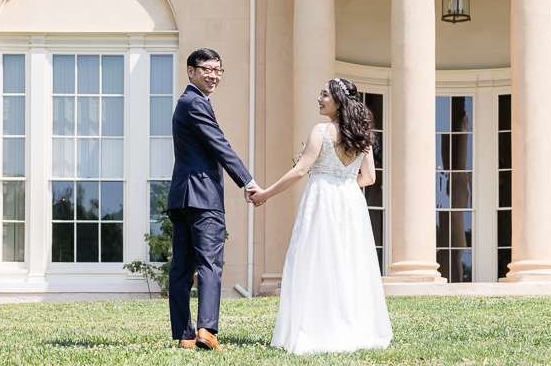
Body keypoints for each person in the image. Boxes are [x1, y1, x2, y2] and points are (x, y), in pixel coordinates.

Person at [249, 77, 393, 355]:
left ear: (338, 101)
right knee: (348, 263)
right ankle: (353, 327)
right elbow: (370, 178)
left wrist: (265, 193)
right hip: (351, 203)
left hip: (322, 201)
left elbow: (301, 170)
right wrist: (344, 183)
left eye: (324, 94)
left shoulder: (321, 130)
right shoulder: (363, 135)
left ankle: (316, 328)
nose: (319, 98)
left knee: (315, 260)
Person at [166, 48, 261, 351]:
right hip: (202, 196)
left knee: (181, 267)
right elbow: (220, 144)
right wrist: (247, 180)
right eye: (206, 68)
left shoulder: (187, 103)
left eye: (218, 69)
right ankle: (206, 331)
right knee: (209, 263)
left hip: (182, 197)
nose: (213, 75)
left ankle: (184, 335)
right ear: (190, 71)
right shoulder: (194, 103)